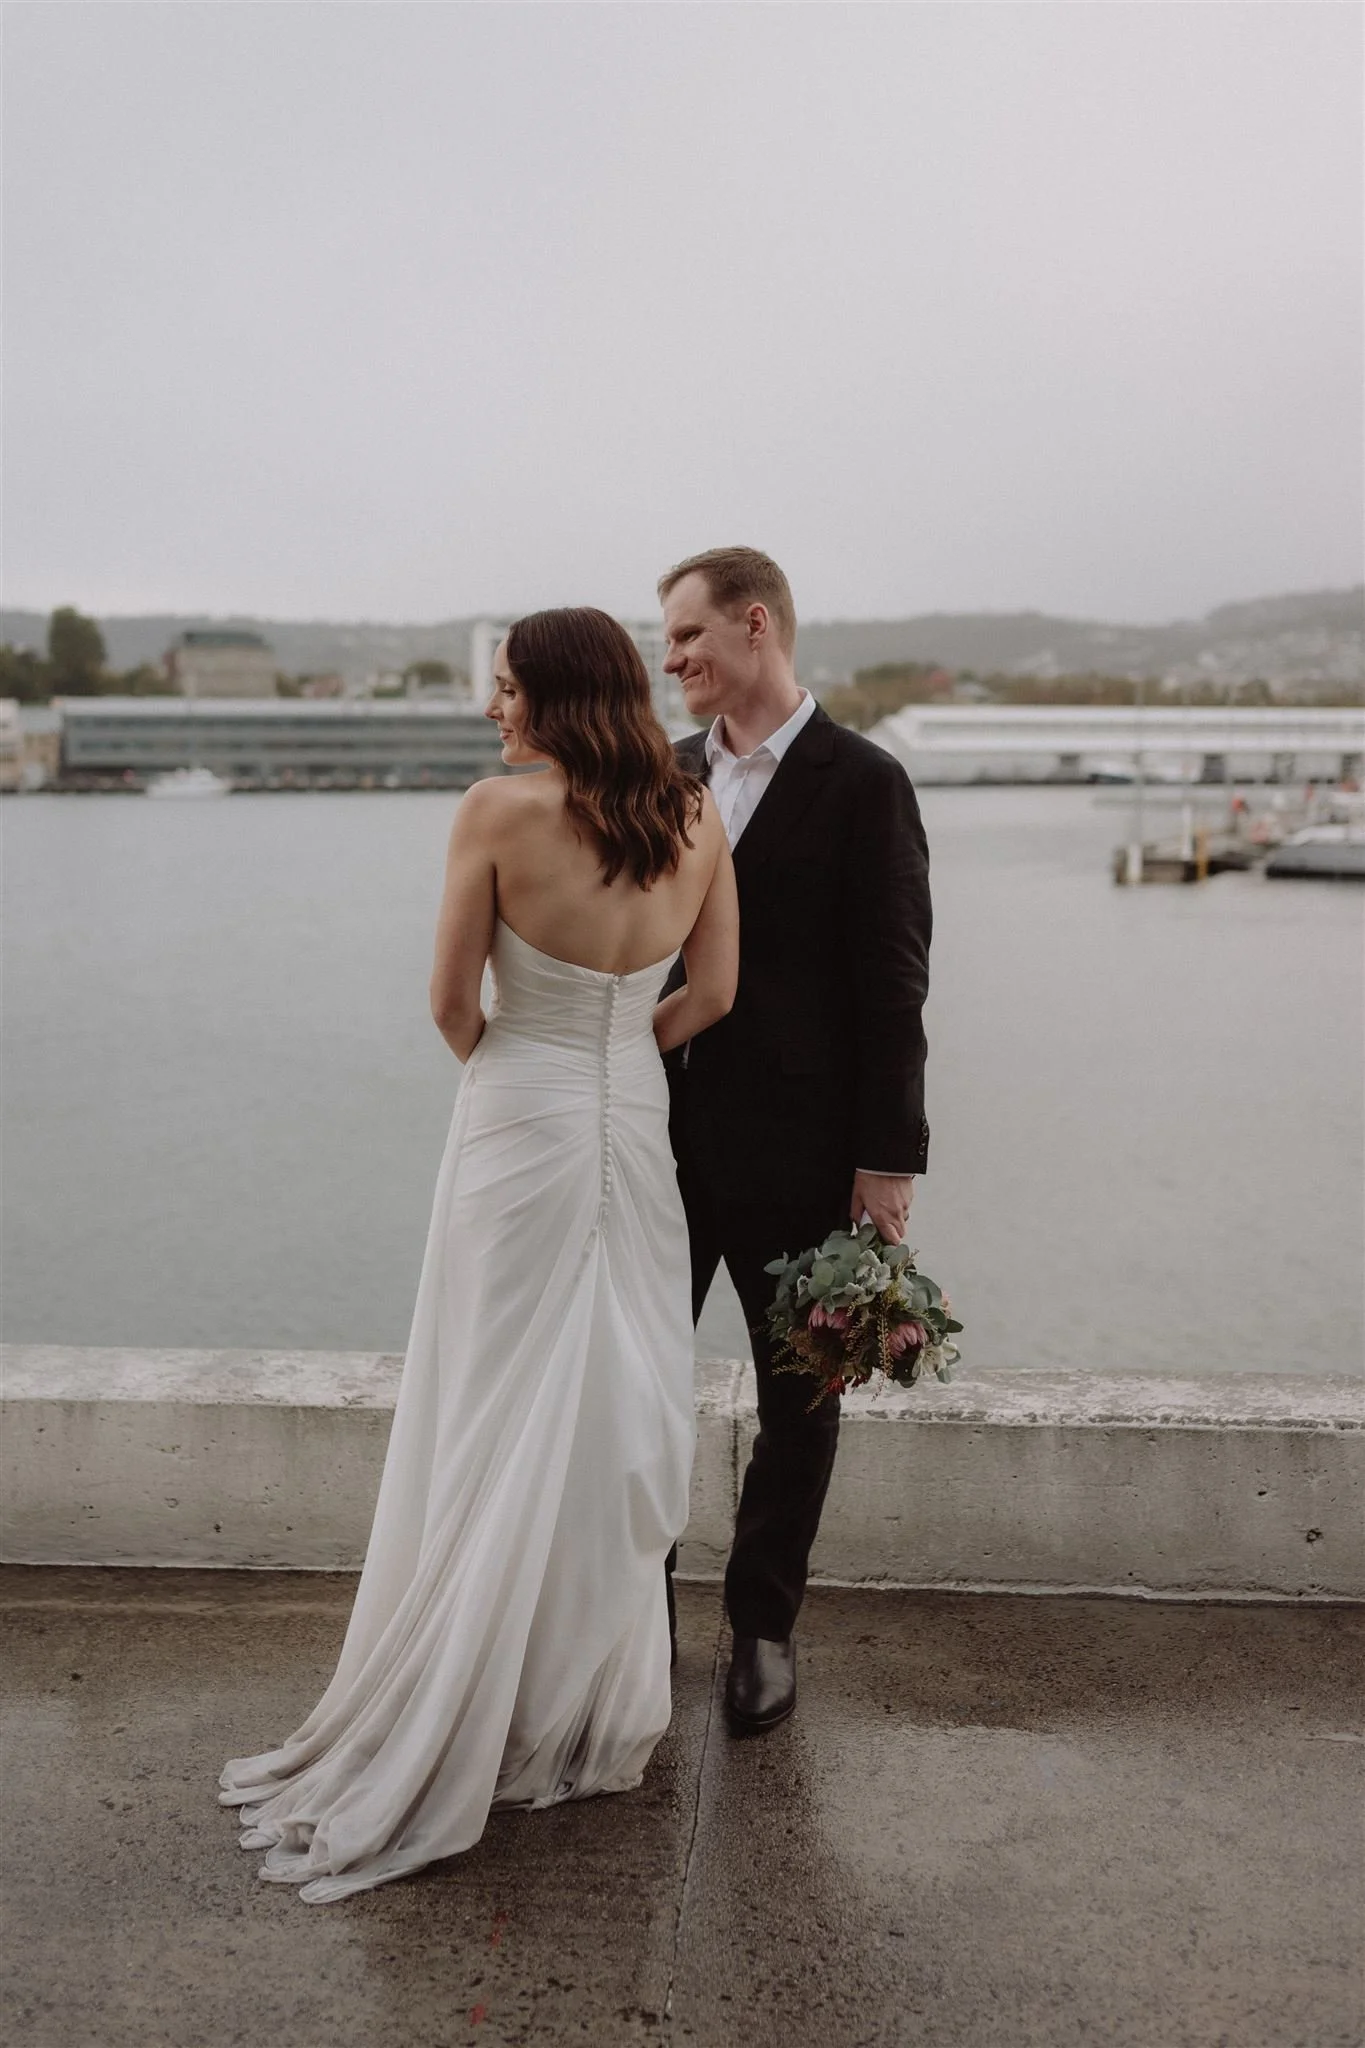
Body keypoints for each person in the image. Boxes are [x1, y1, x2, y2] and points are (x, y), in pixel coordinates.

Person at [219, 607, 738, 1902]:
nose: (491, 710)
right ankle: (571, 1704)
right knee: (608, 1414)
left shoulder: (496, 815)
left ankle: (460, 1697)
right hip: (632, 1130)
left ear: (556, 697)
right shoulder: (697, 818)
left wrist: (521, 1078)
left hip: (518, 1129)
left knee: (487, 1407)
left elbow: (452, 1003)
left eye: (505, 689)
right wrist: (618, 1057)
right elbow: (716, 995)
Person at [658, 546, 931, 1734]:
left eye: (687, 638)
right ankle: (627, 1614)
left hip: (806, 1151)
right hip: (653, 1142)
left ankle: (762, 1626)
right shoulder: (662, 774)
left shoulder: (864, 781)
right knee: (629, 1386)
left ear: (754, 624)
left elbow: (894, 984)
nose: (671, 661)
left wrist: (888, 1161)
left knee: (798, 1407)